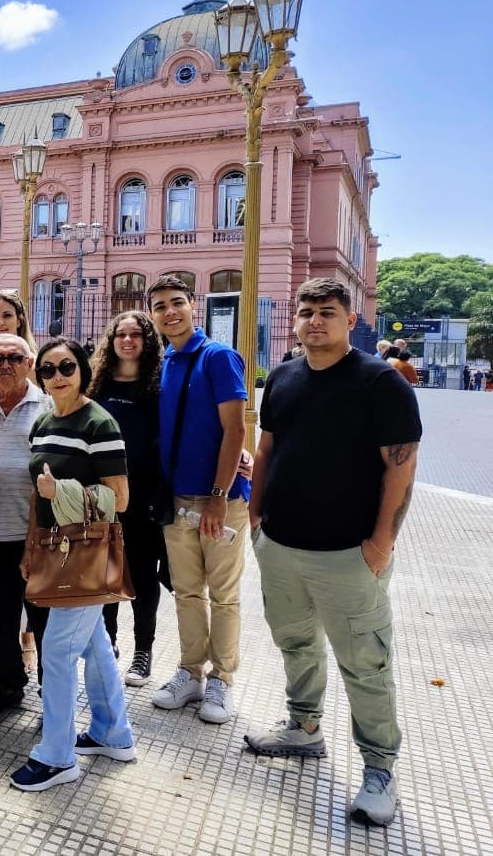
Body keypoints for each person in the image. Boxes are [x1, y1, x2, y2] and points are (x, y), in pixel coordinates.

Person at [245, 278, 422, 827]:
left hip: (349, 553)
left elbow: (401, 467)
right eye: (306, 312)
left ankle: (380, 769)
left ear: (350, 320)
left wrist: (381, 543)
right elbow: (267, 449)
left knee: (365, 664)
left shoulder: (380, 383)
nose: (314, 321)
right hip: (281, 545)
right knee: (295, 643)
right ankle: (304, 728)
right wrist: (255, 516)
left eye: (326, 312)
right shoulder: (283, 377)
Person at [8, 338, 135, 791]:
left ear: (82, 370)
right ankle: (112, 733)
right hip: (54, 548)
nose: (57, 376)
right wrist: (30, 545)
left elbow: (120, 498)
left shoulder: (99, 423)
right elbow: (35, 494)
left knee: (58, 651)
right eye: (47, 369)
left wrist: (59, 491)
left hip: (87, 554)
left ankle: (57, 756)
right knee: (94, 645)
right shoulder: (43, 423)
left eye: (66, 367)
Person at [146, 274, 250, 725]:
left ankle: (222, 679)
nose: (169, 312)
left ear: (194, 305)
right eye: (160, 306)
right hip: (176, 498)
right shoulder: (165, 361)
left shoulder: (218, 356)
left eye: (177, 303)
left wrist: (218, 497)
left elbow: (236, 428)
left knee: (224, 595)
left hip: (219, 499)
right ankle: (190, 672)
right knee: (187, 592)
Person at [88, 311, 169, 687]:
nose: (128, 340)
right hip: (102, 497)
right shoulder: (98, 383)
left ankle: (143, 651)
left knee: (142, 576)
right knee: (105, 574)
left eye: (136, 334)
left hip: (144, 494)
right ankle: (108, 641)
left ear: (148, 341)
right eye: (121, 334)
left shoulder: (159, 385)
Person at [0, 334, 48, 717]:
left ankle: (53, 692)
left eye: (15, 358)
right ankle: (7, 683)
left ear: (29, 363)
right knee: (2, 613)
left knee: (44, 617)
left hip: (39, 530)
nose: (5, 365)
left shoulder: (47, 404)